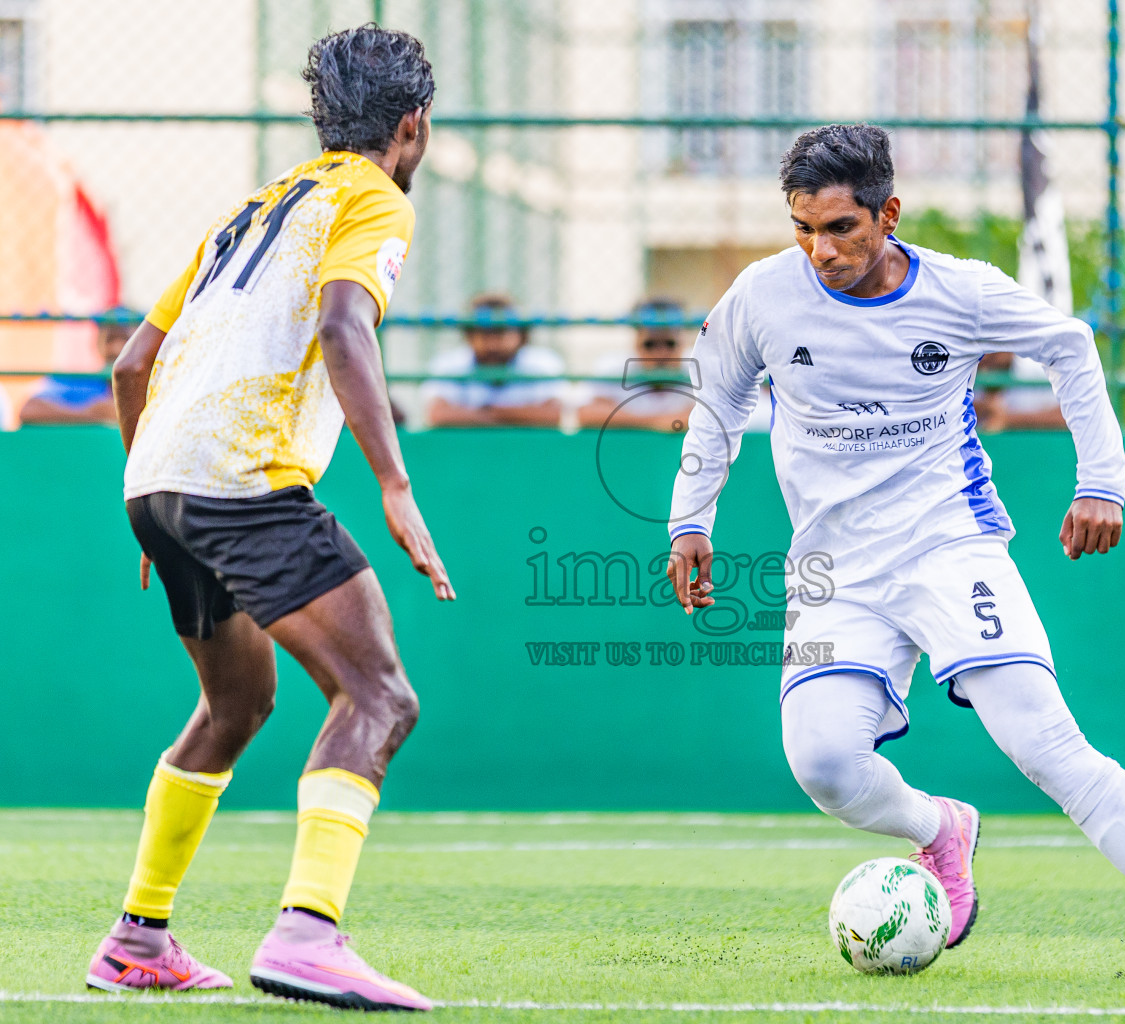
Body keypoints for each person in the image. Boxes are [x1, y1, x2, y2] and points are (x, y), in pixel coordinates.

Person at [665, 124, 1125, 979]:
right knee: (824, 763)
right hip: (834, 573)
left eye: (840, 229)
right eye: (803, 227)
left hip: (950, 547)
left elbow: (1072, 345)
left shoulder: (962, 292)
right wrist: (691, 522)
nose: (820, 250)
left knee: (1045, 742)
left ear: (888, 213)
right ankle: (941, 829)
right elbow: (715, 406)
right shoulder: (762, 297)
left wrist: (1102, 480)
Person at [86, 25, 453, 1012]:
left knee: (236, 705)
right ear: (412, 124)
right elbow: (343, 324)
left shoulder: (250, 206)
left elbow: (131, 367)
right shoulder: (373, 197)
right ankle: (309, 932)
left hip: (159, 479)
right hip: (241, 478)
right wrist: (396, 486)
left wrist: (153, 502)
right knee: (379, 695)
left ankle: (138, 938)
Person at [425, 293, 564, 426]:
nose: (492, 344)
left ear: (520, 335)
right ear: (470, 336)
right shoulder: (449, 363)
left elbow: (554, 414)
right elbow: (438, 414)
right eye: (484, 334)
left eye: (501, 333)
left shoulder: (542, 362)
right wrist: (518, 416)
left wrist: (484, 413)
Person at [577, 298, 694, 433]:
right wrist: (657, 422)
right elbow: (585, 413)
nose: (660, 353)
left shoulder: (700, 366)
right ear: (636, 341)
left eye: (669, 344)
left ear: (683, 341)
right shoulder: (614, 367)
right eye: (650, 344)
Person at [19, 317, 130, 425]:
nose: (117, 348)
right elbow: (29, 409)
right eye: (110, 339)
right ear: (97, 343)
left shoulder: (144, 387)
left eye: (126, 339)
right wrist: (92, 414)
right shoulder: (81, 381)